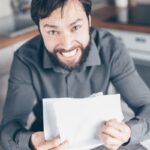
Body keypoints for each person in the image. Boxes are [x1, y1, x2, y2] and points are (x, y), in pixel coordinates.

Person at [0, 0, 150, 149]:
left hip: (102, 140)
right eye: (52, 31)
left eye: (76, 27)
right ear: (39, 29)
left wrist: (129, 132)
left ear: (89, 21)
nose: (67, 45)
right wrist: (32, 142)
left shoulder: (111, 49)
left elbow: (147, 106)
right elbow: (8, 131)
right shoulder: (25, 58)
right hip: (48, 141)